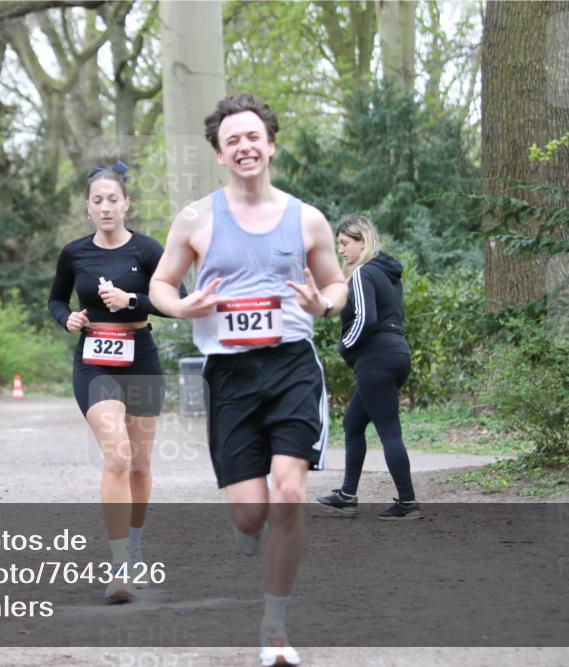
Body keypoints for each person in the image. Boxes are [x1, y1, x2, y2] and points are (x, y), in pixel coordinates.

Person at [149, 93, 347, 667]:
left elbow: (335, 284)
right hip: (229, 375)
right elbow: (161, 284)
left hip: (291, 367)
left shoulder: (307, 218)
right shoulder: (197, 218)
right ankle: (247, 528)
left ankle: (275, 628)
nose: (244, 146)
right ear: (219, 154)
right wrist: (181, 306)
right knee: (250, 513)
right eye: (232, 140)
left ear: (271, 145)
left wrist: (322, 304)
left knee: (288, 495)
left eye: (253, 136)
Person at [48, 160, 178, 604]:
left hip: (140, 357)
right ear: (88, 207)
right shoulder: (74, 253)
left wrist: (132, 300)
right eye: (97, 201)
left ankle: (136, 551)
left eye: (113, 200)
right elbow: (55, 300)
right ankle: (119, 566)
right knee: (118, 457)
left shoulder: (147, 250)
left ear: (126, 204)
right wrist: (68, 318)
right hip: (95, 361)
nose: (105, 207)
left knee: (139, 465)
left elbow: (173, 300)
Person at [316, 215, 420, 520]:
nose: (341, 250)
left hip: (377, 359)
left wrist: (344, 346)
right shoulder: (388, 274)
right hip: (396, 354)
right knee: (353, 423)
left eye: (345, 243)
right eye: (339, 244)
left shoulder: (363, 273)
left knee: (389, 431)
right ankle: (347, 495)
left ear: (363, 241)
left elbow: (365, 318)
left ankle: (408, 503)